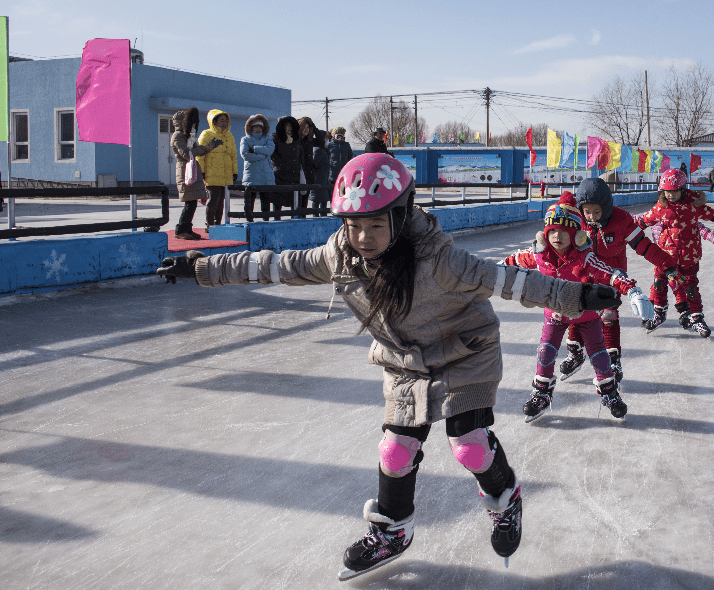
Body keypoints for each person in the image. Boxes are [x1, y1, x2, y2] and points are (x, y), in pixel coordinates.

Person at [155, 153, 624, 580]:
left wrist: (576, 295)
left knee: (469, 446)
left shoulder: (439, 258)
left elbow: (507, 281)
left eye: (376, 225)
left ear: (401, 214)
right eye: (354, 225)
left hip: (466, 350)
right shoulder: (341, 254)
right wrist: (202, 267)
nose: (363, 238)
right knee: (395, 452)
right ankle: (393, 530)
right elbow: (279, 265)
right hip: (405, 361)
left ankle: (506, 499)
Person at [502, 191, 651, 422]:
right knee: (545, 352)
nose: (557, 236)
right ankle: (541, 393)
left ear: (576, 235)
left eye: (564, 231)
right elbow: (510, 262)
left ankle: (609, 392)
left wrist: (633, 291)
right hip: (554, 315)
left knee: (600, 356)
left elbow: (610, 273)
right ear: (545, 234)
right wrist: (486, 274)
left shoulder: (585, 257)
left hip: (586, 316)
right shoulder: (538, 255)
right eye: (552, 231)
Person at [557, 177, 679, 385]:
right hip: (583, 276)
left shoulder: (621, 221)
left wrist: (667, 265)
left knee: (609, 315)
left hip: (613, 277)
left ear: (606, 206)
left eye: (597, 212)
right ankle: (576, 352)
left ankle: (613, 359)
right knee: (577, 313)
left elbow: (644, 245)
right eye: (587, 212)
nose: (592, 217)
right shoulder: (578, 221)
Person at [637, 168, 714, 338]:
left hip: (690, 255)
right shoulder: (661, 207)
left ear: (682, 189)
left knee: (690, 287)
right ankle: (659, 314)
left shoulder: (694, 206)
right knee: (659, 284)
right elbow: (644, 221)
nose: (670, 195)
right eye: (666, 192)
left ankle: (697, 318)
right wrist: (626, 235)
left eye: (673, 191)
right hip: (665, 255)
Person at [170, 107, 214, 239]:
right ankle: (181, 230)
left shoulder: (188, 136)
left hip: (191, 169)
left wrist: (209, 148)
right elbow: (186, 154)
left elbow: (195, 152)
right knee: (190, 203)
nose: (194, 125)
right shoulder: (178, 136)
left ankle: (187, 229)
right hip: (185, 171)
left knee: (192, 202)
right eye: (191, 122)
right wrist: (202, 148)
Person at [196, 109, 237, 231]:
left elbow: (233, 155)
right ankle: (210, 225)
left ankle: (218, 224)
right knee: (213, 200)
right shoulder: (206, 134)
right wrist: (201, 171)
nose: (224, 123)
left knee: (221, 202)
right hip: (211, 173)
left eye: (226, 121)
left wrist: (235, 171)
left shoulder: (229, 136)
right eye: (221, 120)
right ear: (214, 121)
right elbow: (200, 155)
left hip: (225, 174)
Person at [239, 114, 275, 221]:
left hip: (265, 175)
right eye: (256, 126)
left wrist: (254, 149)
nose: (259, 129)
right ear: (251, 127)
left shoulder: (267, 138)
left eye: (260, 127)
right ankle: (249, 221)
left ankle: (266, 221)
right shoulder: (245, 139)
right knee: (250, 201)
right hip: (251, 175)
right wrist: (263, 155)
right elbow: (245, 154)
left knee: (266, 201)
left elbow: (270, 150)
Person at [269, 116, 303, 221]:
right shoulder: (275, 137)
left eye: (291, 125)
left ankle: (294, 222)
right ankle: (276, 222)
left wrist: (297, 167)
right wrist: (282, 165)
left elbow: (300, 155)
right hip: (280, 175)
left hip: (294, 175)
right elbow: (273, 155)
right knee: (277, 202)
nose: (289, 128)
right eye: (287, 125)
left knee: (295, 202)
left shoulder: (296, 139)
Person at [304, 125, 331, 217]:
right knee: (316, 202)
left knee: (323, 202)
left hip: (324, 179)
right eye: (325, 138)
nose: (327, 140)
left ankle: (322, 217)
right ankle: (316, 218)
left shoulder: (324, 150)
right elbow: (314, 164)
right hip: (318, 179)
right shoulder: (318, 150)